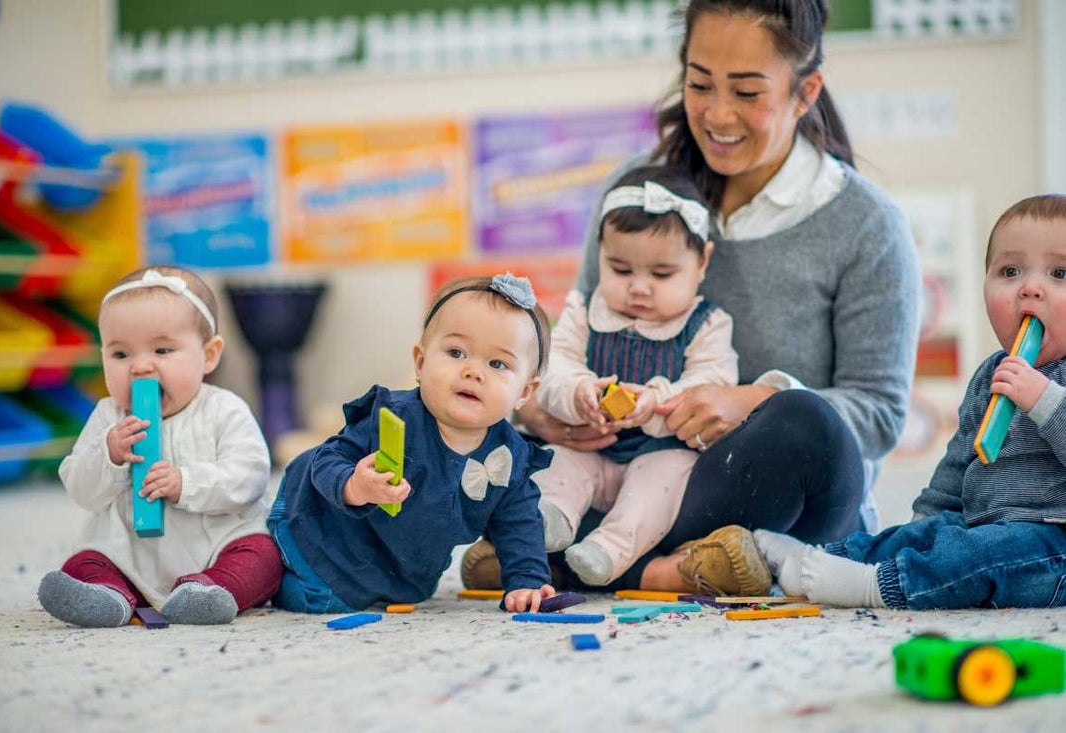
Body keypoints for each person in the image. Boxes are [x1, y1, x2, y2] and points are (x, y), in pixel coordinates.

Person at [462, 0, 921, 595]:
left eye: (748, 92)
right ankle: (659, 566)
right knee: (479, 405)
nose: (717, 114)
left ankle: (553, 557)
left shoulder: (866, 223)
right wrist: (540, 408)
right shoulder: (637, 191)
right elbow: (573, 335)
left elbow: (880, 416)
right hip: (614, 467)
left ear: (806, 92)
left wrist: (752, 401)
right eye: (699, 85)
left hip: (759, 490)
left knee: (805, 425)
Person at [756, 195, 1066, 609]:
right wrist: (928, 520)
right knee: (918, 537)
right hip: (980, 523)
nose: (1030, 287)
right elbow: (960, 461)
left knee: (979, 554)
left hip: (1051, 545)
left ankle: (877, 586)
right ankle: (813, 560)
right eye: (1010, 271)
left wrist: (1044, 400)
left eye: (1059, 272)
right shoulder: (992, 373)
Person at [268, 275, 556, 614]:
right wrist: (354, 485)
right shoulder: (394, 415)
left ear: (524, 392)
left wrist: (527, 579)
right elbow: (329, 457)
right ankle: (265, 565)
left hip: (400, 563)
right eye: (456, 352)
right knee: (321, 598)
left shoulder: (511, 458)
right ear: (420, 362)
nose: (473, 372)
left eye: (498, 364)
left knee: (393, 597)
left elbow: (519, 522)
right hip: (319, 525)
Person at [38, 266, 281, 627]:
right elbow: (81, 490)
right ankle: (110, 597)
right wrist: (109, 455)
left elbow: (249, 478)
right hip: (129, 553)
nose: (139, 367)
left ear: (209, 355)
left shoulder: (222, 408)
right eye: (120, 355)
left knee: (263, 556)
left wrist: (187, 482)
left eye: (162, 349)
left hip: (216, 546)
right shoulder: (108, 416)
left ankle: (208, 593)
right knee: (84, 560)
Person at [534, 165, 738, 587]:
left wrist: (655, 401)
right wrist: (578, 392)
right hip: (591, 445)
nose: (639, 288)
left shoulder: (707, 323)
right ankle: (548, 521)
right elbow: (554, 367)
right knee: (557, 463)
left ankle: (607, 550)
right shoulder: (583, 309)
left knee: (659, 488)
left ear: (702, 262)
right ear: (600, 255)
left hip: (661, 451)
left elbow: (713, 384)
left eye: (662, 274)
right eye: (621, 270)